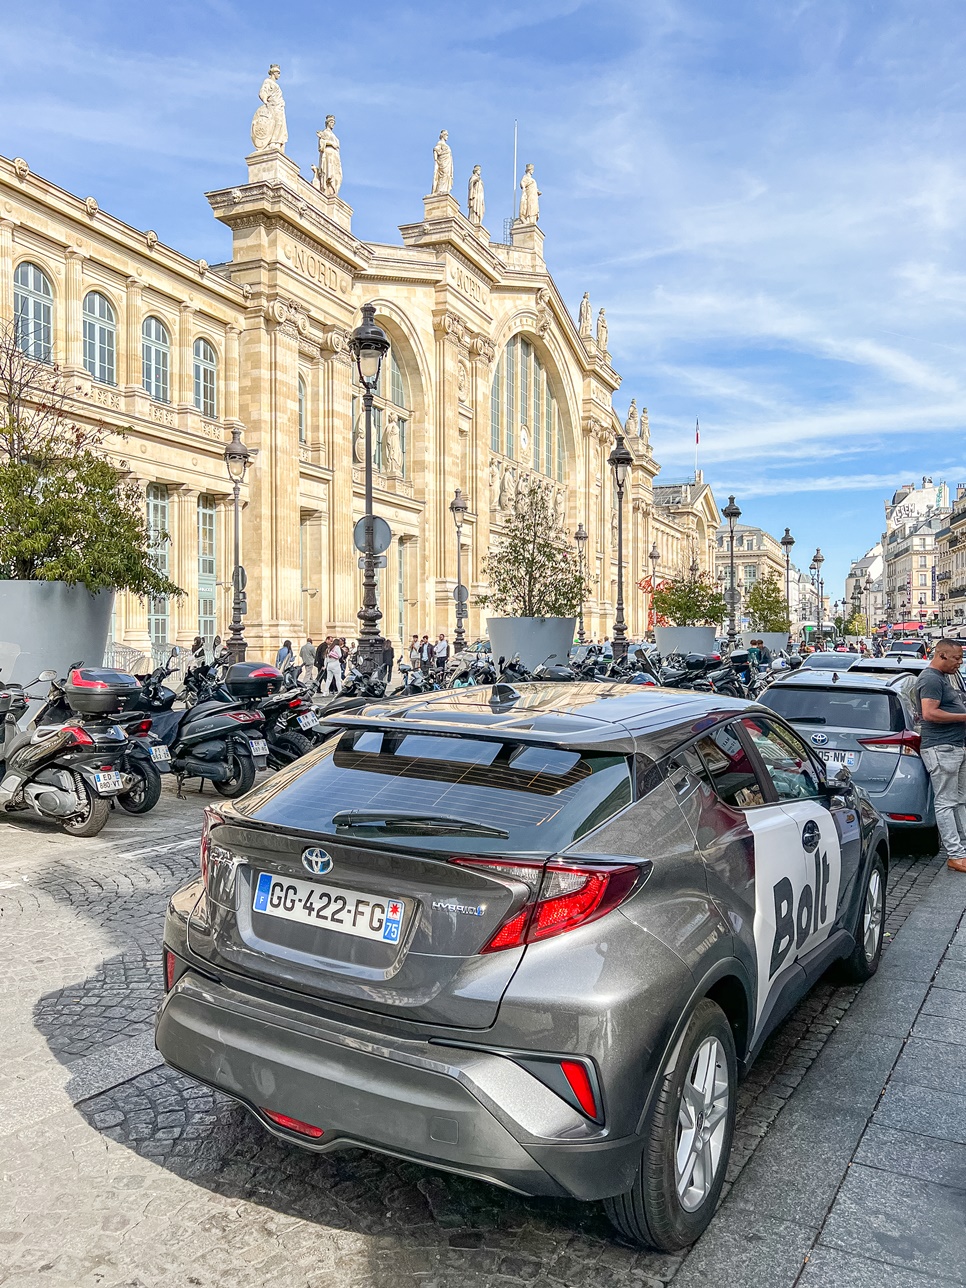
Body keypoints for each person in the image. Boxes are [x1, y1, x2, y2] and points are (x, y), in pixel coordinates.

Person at [916, 639, 966, 872]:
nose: (960, 662)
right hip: (941, 747)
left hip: (954, 745)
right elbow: (930, 713)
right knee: (946, 802)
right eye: (956, 658)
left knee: (961, 799)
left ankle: (962, 850)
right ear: (942, 655)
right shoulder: (930, 679)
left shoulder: (943, 677)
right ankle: (955, 855)